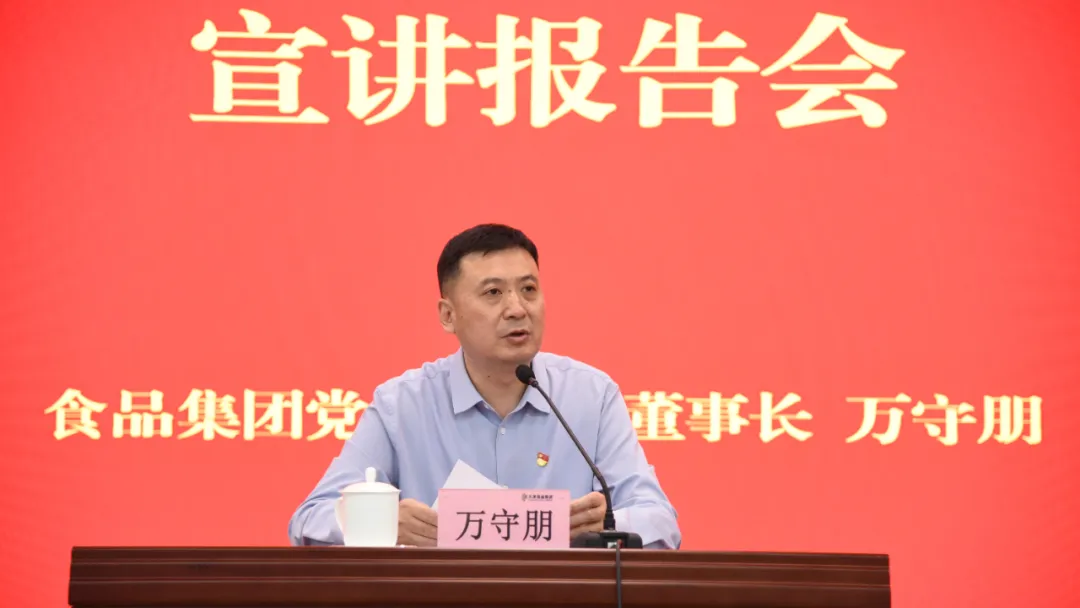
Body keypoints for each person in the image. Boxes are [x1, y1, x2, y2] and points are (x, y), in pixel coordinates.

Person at [287, 223, 681, 549]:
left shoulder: (591, 397)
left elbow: (660, 521)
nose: (517, 308)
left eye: (529, 289)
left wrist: (603, 529)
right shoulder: (401, 405)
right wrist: (382, 524)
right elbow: (309, 519)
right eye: (493, 293)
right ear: (448, 315)